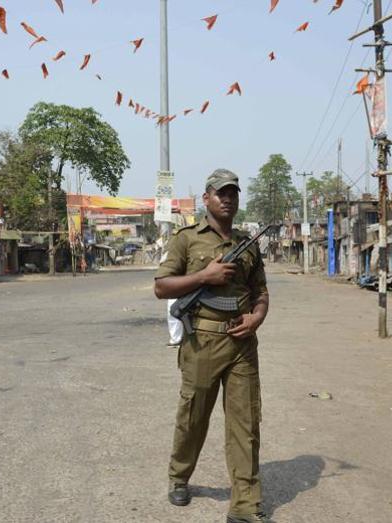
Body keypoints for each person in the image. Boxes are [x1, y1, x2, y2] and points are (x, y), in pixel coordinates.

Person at [154, 169, 271, 523]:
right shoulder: (186, 240)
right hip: (202, 341)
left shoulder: (248, 243)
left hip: (242, 342)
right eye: (221, 193)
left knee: (246, 423)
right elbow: (162, 287)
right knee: (193, 417)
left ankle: (245, 505)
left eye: (233, 192)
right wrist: (205, 277)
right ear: (206, 198)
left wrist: (257, 317)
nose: (228, 198)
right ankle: (179, 476)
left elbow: (261, 292)